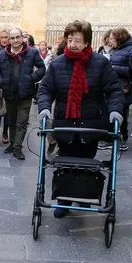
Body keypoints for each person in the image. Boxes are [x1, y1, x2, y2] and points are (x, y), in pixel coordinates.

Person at [37, 20, 125, 218]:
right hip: (65, 123)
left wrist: (115, 110)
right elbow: (45, 89)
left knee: (86, 162)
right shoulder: (58, 63)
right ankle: (64, 200)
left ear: (87, 42)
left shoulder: (100, 63)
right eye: (70, 40)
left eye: (78, 40)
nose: (73, 44)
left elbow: (114, 90)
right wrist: (44, 108)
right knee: (65, 162)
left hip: (91, 124)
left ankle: (84, 195)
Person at [0, 28, 46, 160]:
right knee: (11, 121)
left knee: (22, 121)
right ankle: (12, 143)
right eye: (12, 38)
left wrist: (31, 78)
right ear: (9, 40)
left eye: (17, 37)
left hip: (25, 93)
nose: (15, 40)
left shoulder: (32, 52)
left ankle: (17, 147)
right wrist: (1, 82)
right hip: (9, 93)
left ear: (22, 38)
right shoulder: (2, 55)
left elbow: (42, 68)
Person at [98, 28, 132, 151]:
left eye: (112, 39)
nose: (110, 41)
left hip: (124, 87)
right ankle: (109, 138)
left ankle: (122, 139)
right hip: (112, 85)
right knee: (110, 111)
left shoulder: (129, 50)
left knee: (122, 112)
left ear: (120, 38)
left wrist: (113, 68)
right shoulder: (117, 49)